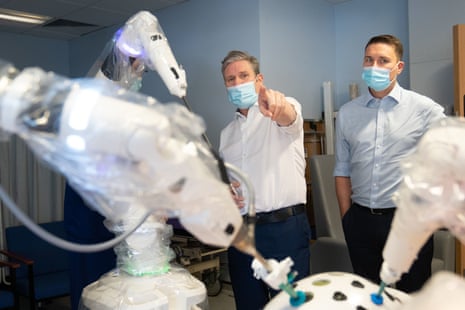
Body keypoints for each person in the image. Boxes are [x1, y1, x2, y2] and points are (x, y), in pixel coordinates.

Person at [334, 34, 445, 293]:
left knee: (412, 294)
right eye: (369, 60)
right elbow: (342, 170)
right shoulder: (348, 113)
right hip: (361, 221)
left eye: (384, 60)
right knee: (369, 295)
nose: (375, 66)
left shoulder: (423, 108)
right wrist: (347, 217)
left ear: (399, 67)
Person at [219, 50, 312, 309]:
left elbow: (288, 116)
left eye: (243, 76)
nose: (237, 83)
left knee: (290, 304)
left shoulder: (280, 111)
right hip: (242, 234)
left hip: (284, 229)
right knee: (248, 304)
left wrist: (278, 106)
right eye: (230, 79)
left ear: (259, 80)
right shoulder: (226, 135)